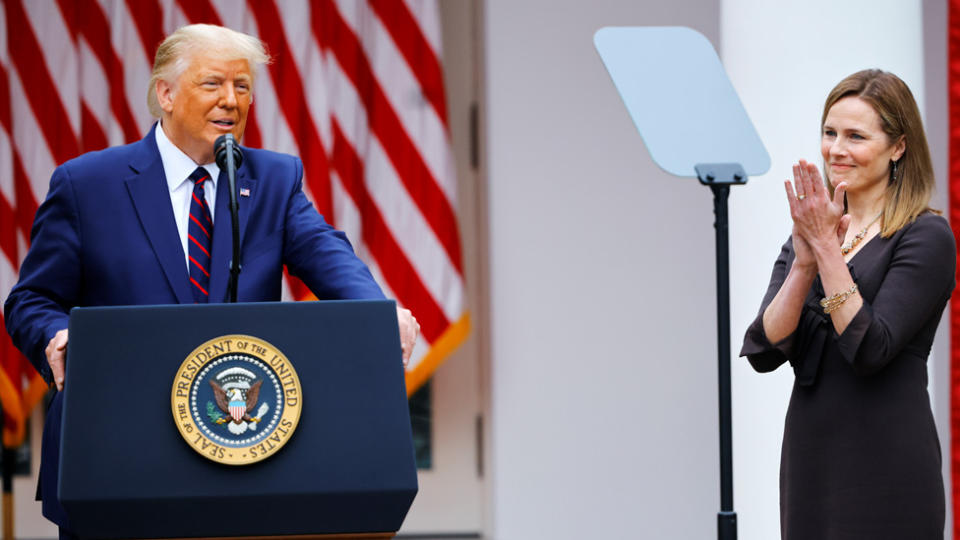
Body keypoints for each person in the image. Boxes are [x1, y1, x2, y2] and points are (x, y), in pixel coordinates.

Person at [4, 24, 419, 537]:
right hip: (116, 460)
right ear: (166, 94)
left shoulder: (273, 180)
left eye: (242, 87)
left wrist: (378, 314)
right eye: (213, 84)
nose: (231, 101)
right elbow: (31, 299)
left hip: (242, 461)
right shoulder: (87, 184)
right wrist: (57, 335)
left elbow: (328, 254)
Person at [741, 69, 954, 539]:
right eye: (830, 132)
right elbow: (764, 348)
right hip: (812, 458)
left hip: (888, 461)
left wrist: (826, 251)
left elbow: (870, 347)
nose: (836, 149)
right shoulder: (812, 233)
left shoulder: (925, 235)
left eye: (855, 136)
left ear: (898, 146)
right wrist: (804, 263)